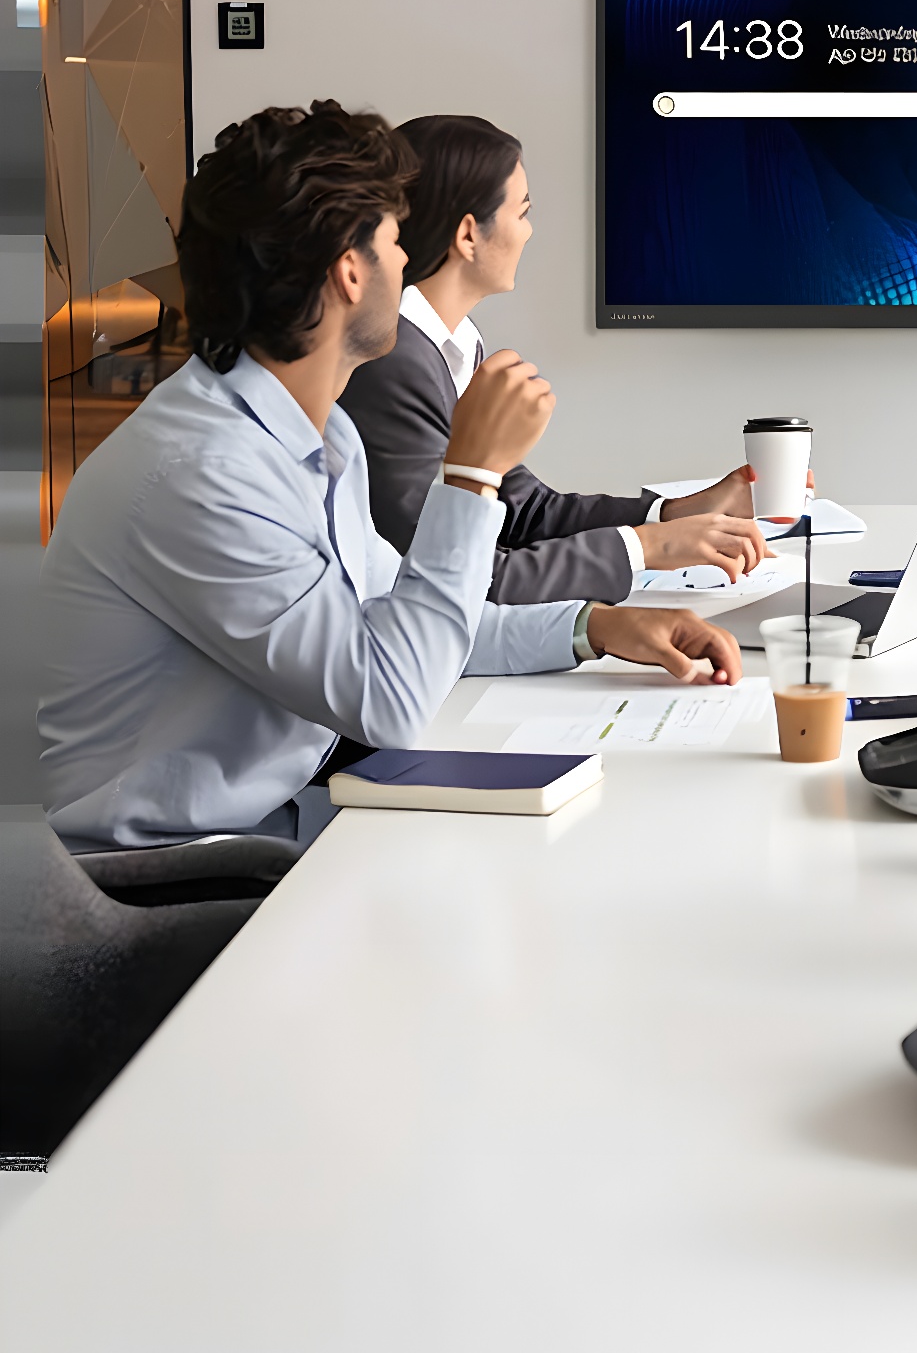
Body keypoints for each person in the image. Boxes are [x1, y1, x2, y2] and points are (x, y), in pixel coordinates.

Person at [41, 102, 741, 851]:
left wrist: (593, 627)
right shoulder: (205, 478)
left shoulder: (318, 431)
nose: (409, 261)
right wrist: (472, 475)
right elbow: (390, 695)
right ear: (350, 273)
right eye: (394, 240)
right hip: (151, 881)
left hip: (267, 825)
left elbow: (401, 617)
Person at [340, 114, 769, 605]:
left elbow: (521, 510)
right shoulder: (394, 363)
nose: (528, 232)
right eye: (521, 212)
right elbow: (454, 577)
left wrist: (673, 515)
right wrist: (648, 548)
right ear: (467, 235)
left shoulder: (450, 342)